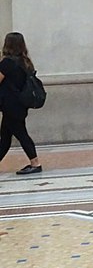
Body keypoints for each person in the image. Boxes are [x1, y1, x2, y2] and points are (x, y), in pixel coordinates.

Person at [0, 32, 43, 175]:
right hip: (19, 105)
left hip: (10, 105)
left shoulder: (7, 63)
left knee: (21, 134)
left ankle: (35, 163)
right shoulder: (25, 62)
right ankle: (35, 163)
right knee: (5, 138)